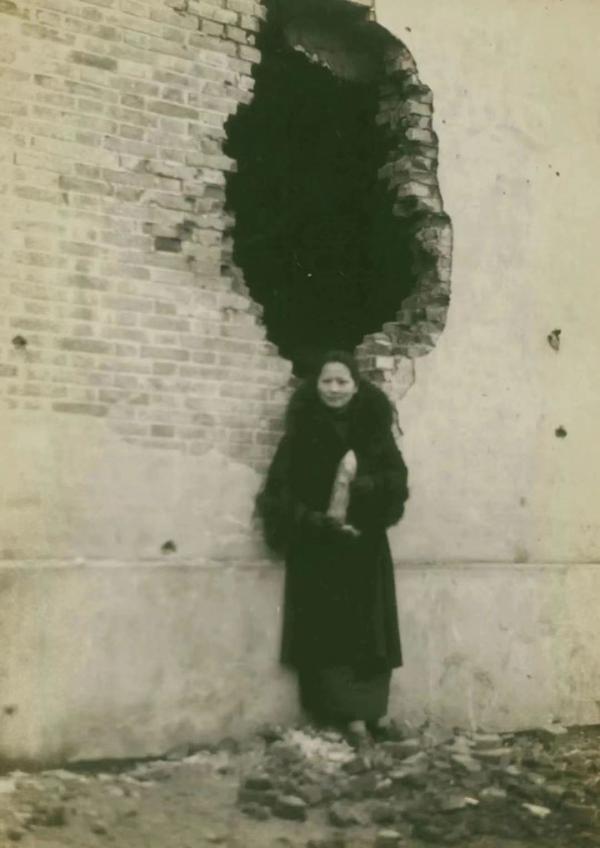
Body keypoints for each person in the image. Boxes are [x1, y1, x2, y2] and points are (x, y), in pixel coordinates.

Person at [257, 350, 409, 743]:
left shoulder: (375, 431)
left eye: (342, 381)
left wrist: (368, 487)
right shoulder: (300, 434)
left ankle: (376, 713)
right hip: (319, 550)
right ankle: (349, 716)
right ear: (316, 385)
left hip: (365, 546)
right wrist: (312, 520)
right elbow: (278, 494)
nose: (334, 389)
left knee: (372, 631)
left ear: (356, 386)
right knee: (332, 632)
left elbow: (397, 479)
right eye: (327, 381)